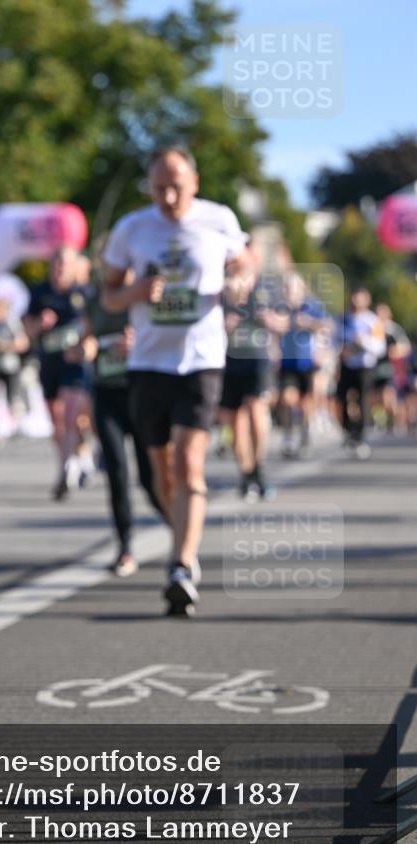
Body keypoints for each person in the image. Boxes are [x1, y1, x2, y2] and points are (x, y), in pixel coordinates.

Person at [102, 146, 249, 615]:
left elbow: (245, 260)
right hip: (148, 363)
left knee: (189, 464)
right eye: (159, 187)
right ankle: (181, 528)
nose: (167, 196)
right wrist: (135, 292)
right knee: (161, 472)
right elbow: (108, 296)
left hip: (202, 359)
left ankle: (181, 564)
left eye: (177, 186)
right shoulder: (132, 228)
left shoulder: (218, 219)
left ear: (195, 182)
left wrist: (239, 281)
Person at [72, 253, 164, 576]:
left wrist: (139, 343)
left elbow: (168, 338)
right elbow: (83, 341)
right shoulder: (96, 301)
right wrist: (84, 348)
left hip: (140, 391)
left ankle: (176, 523)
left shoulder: (148, 293)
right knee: (116, 471)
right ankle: (125, 546)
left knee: (150, 478)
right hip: (106, 393)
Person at [23, 246, 91, 500]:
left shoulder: (83, 294)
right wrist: (39, 325)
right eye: (57, 263)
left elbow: (94, 326)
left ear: (74, 267)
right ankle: (76, 459)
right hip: (49, 361)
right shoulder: (39, 293)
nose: (61, 268)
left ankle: (67, 470)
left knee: (72, 414)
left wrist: (84, 344)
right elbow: (27, 330)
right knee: (58, 421)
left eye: (66, 263)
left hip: (75, 364)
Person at [219, 249, 285, 500]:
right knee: (235, 421)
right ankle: (246, 473)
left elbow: (284, 321)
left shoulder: (266, 288)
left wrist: (270, 320)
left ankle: (259, 468)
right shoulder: (220, 289)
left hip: (258, 358)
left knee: (256, 409)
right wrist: (223, 323)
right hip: (228, 358)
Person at [277, 271, 330, 458]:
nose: (289, 290)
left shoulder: (312, 306)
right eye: (286, 287)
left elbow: (327, 326)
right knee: (286, 399)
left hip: (308, 361)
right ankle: (288, 434)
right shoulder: (280, 308)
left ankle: (305, 432)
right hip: (287, 361)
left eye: (292, 287)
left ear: (301, 289)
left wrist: (309, 323)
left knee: (307, 400)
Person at [336, 287, 385, 459]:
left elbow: (380, 347)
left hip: (364, 366)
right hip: (346, 364)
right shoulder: (343, 319)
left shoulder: (372, 321)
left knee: (362, 399)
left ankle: (361, 436)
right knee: (341, 398)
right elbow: (334, 340)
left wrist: (363, 341)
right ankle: (348, 429)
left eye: (361, 298)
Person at [0, 296, 29, 447]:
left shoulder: (11, 324)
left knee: (12, 397)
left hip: (10, 366)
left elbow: (22, 343)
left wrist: (5, 346)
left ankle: (17, 425)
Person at [371, 303, 411, 434]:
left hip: (390, 367)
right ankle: (381, 419)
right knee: (375, 396)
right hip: (373, 366)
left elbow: (405, 347)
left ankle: (395, 421)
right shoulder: (372, 326)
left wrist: (392, 352)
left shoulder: (393, 329)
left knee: (388, 393)